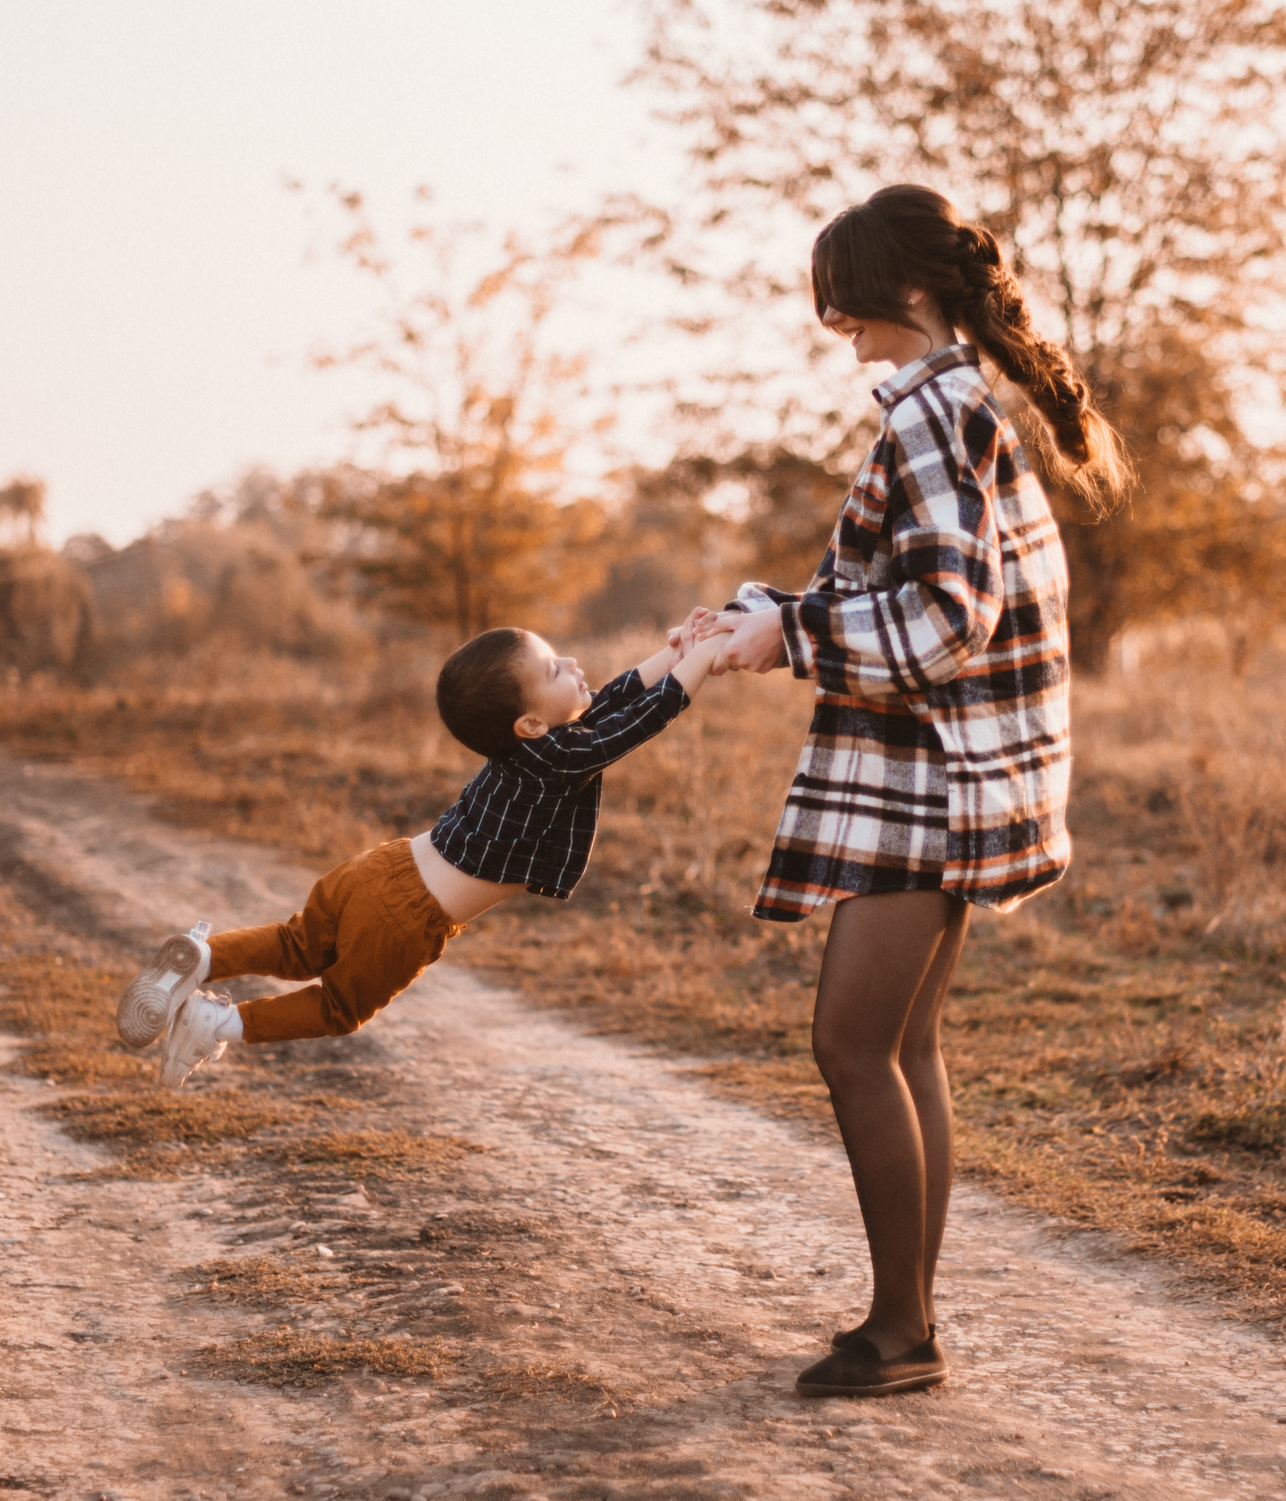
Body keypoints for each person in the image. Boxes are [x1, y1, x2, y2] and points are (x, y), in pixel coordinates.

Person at [701, 184, 1131, 1399]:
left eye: (843, 296)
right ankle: (909, 1320)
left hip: (927, 779)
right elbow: (917, 591)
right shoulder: (956, 405)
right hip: (944, 773)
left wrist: (790, 640)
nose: (834, 320)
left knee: (850, 1040)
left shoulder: (932, 415)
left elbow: (947, 617)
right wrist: (770, 616)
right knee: (900, 1042)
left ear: (905, 290)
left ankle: (901, 1332)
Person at [117, 622, 723, 1083]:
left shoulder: (542, 747)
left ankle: (204, 952)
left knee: (297, 943)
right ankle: (215, 1023)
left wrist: (677, 652)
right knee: (338, 1008)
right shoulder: (559, 759)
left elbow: (615, 698)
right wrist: (700, 660)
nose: (571, 663)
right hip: (406, 919)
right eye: (554, 669)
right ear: (531, 722)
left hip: (381, 866)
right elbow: (639, 721)